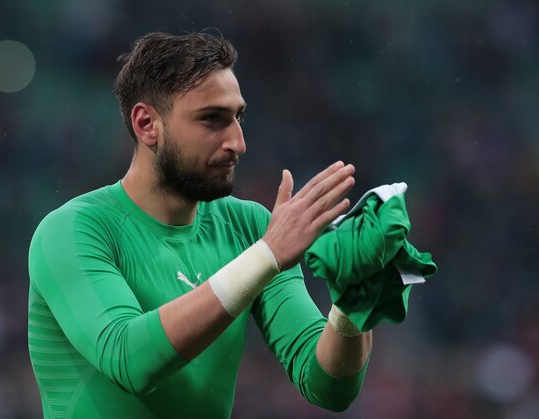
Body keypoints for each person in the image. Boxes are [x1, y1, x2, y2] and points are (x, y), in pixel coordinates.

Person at [28, 31, 371, 418]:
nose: (237, 143)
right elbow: (130, 360)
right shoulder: (73, 231)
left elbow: (327, 386)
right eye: (212, 119)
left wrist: (354, 303)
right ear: (147, 125)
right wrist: (266, 256)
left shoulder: (250, 227)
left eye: (238, 117)